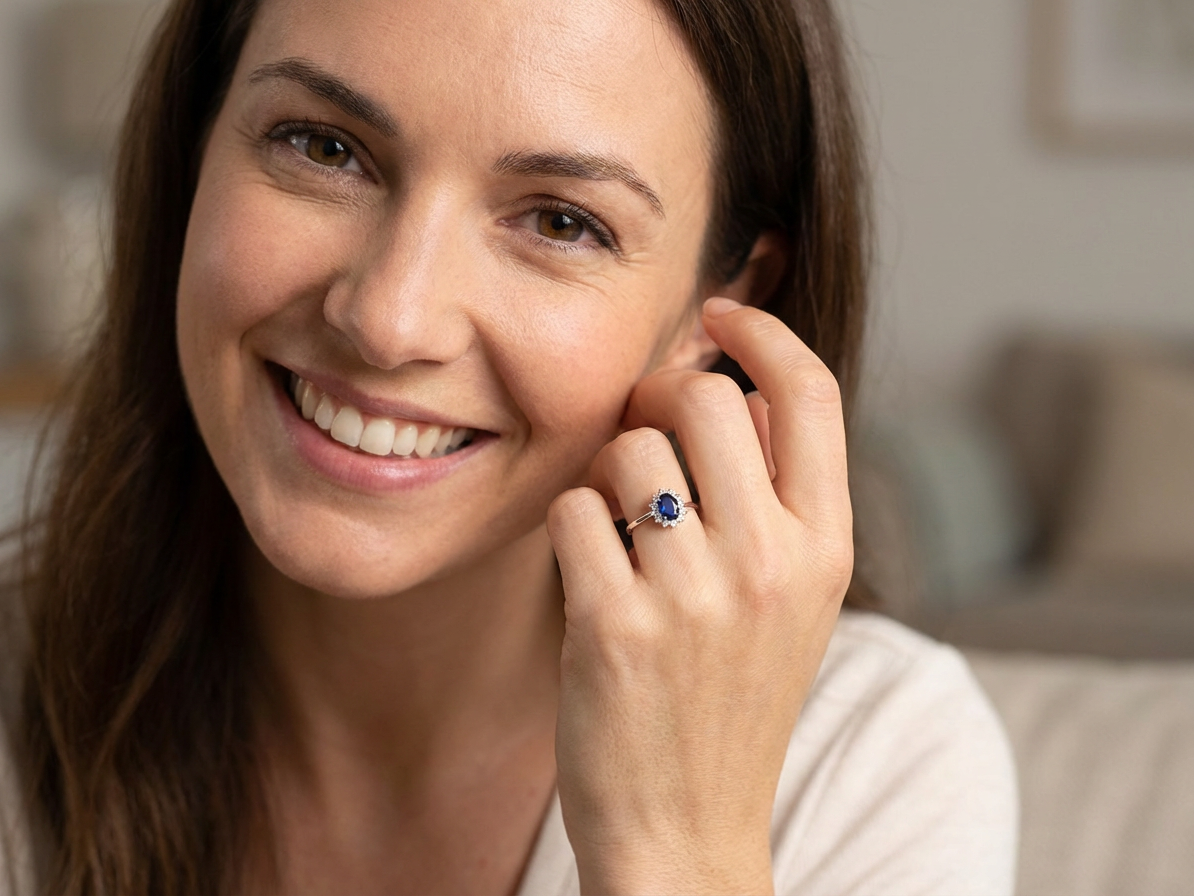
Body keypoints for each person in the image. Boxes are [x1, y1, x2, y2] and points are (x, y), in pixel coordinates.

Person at [0, 0, 1017, 892]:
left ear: (723, 304)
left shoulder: (871, 760)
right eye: (323, 146)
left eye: (562, 221)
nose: (391, 318)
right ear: (195, 144)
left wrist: (676, 847)